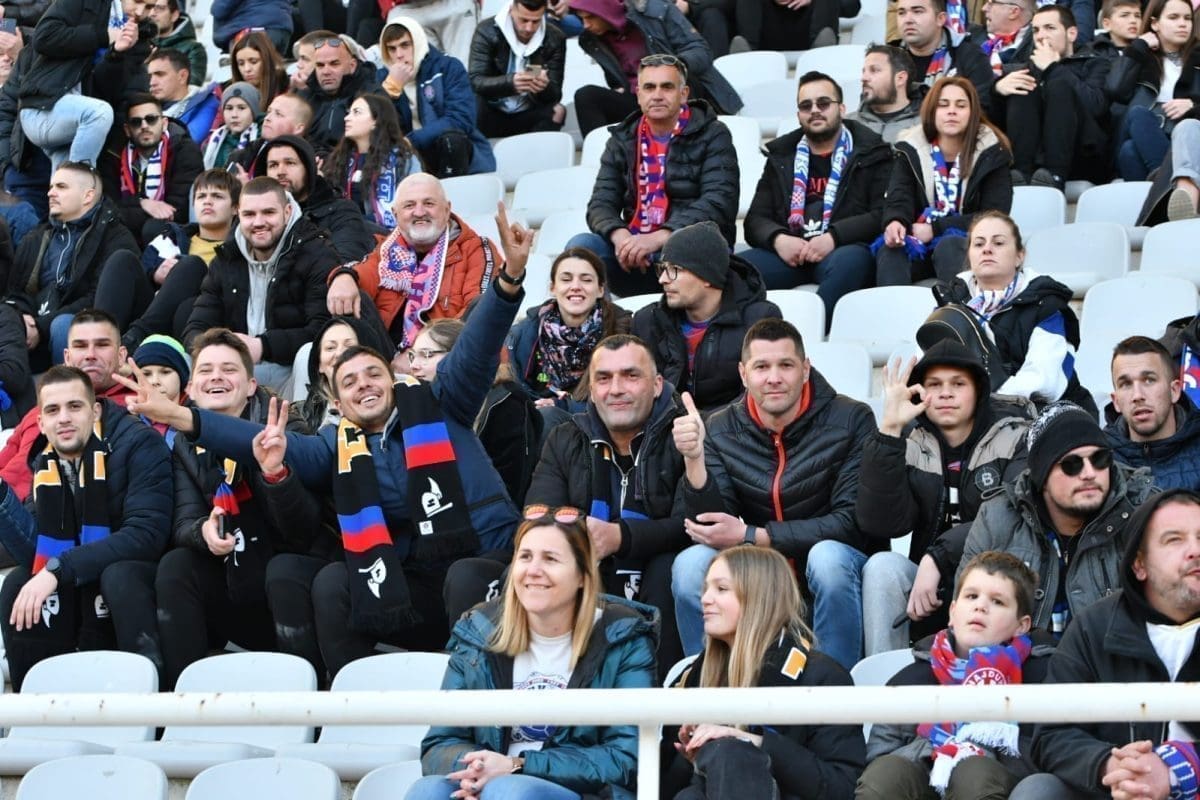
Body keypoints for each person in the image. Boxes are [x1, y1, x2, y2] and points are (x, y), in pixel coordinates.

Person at [127, 205, 531, 679]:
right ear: (337, 401)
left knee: (461, 576)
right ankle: (352, 700)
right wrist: (180, 416)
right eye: (350, 381)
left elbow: (476, 348)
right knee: (334, 582)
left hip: (487, 563)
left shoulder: (442, 403)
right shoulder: (336, 445)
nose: (364, 385)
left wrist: (509, 280)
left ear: (393, 379)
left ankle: (475, 701)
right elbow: (263, 439)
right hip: (415, 584)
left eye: (373, 374)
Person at [115, 329, 319, 688]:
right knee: (177, 564)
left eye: (229, 369)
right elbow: (184, 519)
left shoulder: (284, 424)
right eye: (206, 370)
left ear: (251, 385)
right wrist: (203, 531)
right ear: (191, 389)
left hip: (290, 583)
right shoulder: (182, 441)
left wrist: (274, 474)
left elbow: (304, 530)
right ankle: (184, 697)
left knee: (283, 570)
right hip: (234, 579)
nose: (216, 377)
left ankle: (308, 696)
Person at [407, 509, 657, 800]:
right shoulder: (478, 631)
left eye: (550, 559)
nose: (533, 570)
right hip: (489, 787)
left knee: (509, 790)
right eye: (525, 557)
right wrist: (477, 771)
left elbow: (626, 758)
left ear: (582, 575)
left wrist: (517, 766)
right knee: (429, 790)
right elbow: (440, 743)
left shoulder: (623, 639)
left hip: (582, 792)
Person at [671, 318, 877, 669]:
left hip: (830, 571)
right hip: (760, 578)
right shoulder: (719, 428)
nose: (774, 378)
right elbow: (709, 526)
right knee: (691, 564)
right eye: (761, 367)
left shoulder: (851, 419)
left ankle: (837, 685)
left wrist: (754, 536)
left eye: (786, 365)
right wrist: (694, 459)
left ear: (805, 369)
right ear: (743, 374)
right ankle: (709, 680)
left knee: (827, 558)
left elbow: (849, 523)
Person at [1012, 489, 1200, 800]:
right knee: (1039, 791)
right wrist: (1110, 765)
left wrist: (1176, 770)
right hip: (1113, 791)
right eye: (1174, 540)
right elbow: (1052, 733)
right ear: (1139, 565)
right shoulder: (1094, 627)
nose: (1195, 550)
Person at [0, 365, 172, 690]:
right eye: (53, 410)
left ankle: (150, 704)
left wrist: (58, 570)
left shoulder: (139, 443)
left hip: (136, 574)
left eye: (74, 406)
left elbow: (145, 535)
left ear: (94, 412)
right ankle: (37, 707)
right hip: (75, 574)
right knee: (19, 583)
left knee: (117, 577)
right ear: (41, 422)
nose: (63, 418)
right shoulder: (45, 462)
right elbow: (38, 552)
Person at [858, 342, 1033, 656]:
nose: (945, 394)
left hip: (998, 583)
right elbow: (881, 523)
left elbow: (1011, 514)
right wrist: (890, 430)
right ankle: (885, 676)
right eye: (934, 385)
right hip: (930, 589)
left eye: (958, 384)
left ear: (978, 391)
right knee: (882, 567)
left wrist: (937, 556)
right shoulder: (910, 442)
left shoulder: (1016, 437)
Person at [662, 546, 865, 800]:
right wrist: (693, 758)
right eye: (706, 588)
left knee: (731, 753)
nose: (705, 598)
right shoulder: (691, 679)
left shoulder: (823, 677)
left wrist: (753, 742)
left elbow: (841, 787)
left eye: (721, 589)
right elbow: (659, 788)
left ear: (760, 598)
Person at [857, 551, 1054, 800]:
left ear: (1022, 625)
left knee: (973, 772)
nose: (980, 606)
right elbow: (879, 754)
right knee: (886, 773)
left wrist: (974, 748)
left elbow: (1044, 758)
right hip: (922, 780)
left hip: (1001, 786)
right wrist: (938, 748)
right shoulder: (912, 677)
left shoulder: (1039, 677)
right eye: (971, 596)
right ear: (952, 612)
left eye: (997, 601)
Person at [959, 400, 1158, 637]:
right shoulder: (997, 518)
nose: (1089, 473)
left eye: (1100, 459)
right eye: (1072, 465)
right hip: (1019, 658)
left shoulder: (1147, 515)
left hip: (1114, 659)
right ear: (1041, 477)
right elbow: (965, 621)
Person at [567, 56, 739, 297]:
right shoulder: (622, 138)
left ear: (684, 94)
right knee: (580, 249)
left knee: (689, 249)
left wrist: (660, 237)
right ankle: (600, 320)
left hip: (690, 253)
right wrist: (621, 237)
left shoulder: (713, 133)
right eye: (649, 87)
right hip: (634, 254)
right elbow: (600, 204)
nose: (657, 95)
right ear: (638, 95)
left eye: (667, 87)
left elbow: (718, 202)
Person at [743, 71, 891, 326]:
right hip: (792, 252)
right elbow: (755, 219)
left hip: (842, 250)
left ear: (842, 109)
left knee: (852, 263)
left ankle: (809, 334)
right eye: (806, 105)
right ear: (798, 114)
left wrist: (834, 237)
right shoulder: (782, 157)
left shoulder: (871, 151)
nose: (814, 110)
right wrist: (778, 239)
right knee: (735, 269)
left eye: (823, 103)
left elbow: (882, 213)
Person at [324, 172, 501, 365]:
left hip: (446, 361)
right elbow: (363, 271)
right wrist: (344, 276)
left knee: (481, 309)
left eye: (429, 203)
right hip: (386, 358)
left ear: (447, 209)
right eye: (409, 205)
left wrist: (418, 355)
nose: (419, 212)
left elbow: (477, 317)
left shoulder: (476, 249)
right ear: (395, 214)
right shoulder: (387, 249)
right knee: (352, 296)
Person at [181, 176, 337, 392]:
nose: (258, 222)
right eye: (249, 214)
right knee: (185, 358)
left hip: (291, 370)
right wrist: (220, 349)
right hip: (237, 369)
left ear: (287, 212)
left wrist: (263, 346)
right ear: (238, 214)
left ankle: (302, 416)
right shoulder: (226, 260)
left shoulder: (316, 254)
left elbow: (323, 332)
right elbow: (196, 326)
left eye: (268, 212)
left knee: (308, 353)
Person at [933, 211, 1093, 412]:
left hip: (1042, 414)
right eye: (979, 244)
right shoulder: (950, 303)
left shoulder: (1046, 305)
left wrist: (977, 401)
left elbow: (1043, 382)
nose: (987, 249)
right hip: (967, 413)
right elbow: (929, 366)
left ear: (1019, 256)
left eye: (998, 243)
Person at [875, 76, 1013, 287]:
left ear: (973, 113)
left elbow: (994, 215)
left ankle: (960, 308)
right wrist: (896, 221)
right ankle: (895, 308)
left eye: (961, 105)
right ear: (932, 111)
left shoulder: (992, 152)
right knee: (891, 250)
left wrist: (936, 228)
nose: (952, 111)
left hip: (974, 245)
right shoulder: (910, 149)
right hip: (919, 242)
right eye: (943, 105)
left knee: (950, 246)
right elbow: (899, 196)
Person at [632, 222, 780, 413]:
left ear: (707, 277)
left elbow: (761, 393)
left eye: (675, 269)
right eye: (662, 268)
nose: (663, 279)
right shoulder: (647, 321)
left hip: (734, 428)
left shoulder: (760, 320)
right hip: (666, 427)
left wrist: (705, 423)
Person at [2, 162, 139, 366]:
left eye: (61, 187)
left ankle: (73, 384)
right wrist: (22, 321)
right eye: (51, 187)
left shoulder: (115, 237)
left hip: (80, 334)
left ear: (88, 196)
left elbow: (97, 300)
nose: (50, 193)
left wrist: (42, 326)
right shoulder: (37, 236)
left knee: (63, 325)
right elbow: (16, 292)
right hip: (33, 330)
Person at [0, 310, 135, 512]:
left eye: (102, 345)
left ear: (121, 355)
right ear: (67, 357)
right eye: (80, 346)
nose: (90, 355)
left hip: (48, 517)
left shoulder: (135, 408)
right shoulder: (41, 408)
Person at [569, 0, 742, 136]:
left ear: (605, 11)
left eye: (590, 17)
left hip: (682, 91)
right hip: (640, 98)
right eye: (581, 18)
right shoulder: (591, 39)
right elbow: (616, 78)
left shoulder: (656, 9)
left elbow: (700, 51)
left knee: (673, 77)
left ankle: (686, 145)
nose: (585, 25)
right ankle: (604, 161)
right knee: (586, 95)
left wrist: (671, 65)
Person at [991, 5, 1112, 189]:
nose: (1041, 36)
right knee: (1024, 85)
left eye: (1050, 28)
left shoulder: (1095, 63)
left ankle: (1054, 176)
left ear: (1071, 34)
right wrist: (997, 91)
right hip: (1031, 160)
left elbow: (1096, 106)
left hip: (1082, 156)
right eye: (1036, 30)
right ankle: (1021, 175)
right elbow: (992, 120)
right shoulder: (1021, 70)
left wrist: (1053, 69)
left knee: (1059, 86)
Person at [121, 169, 240, 350]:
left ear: (235, 208)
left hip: (195, 322)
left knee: (191, 267)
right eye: (201, 196)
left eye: (217, 196)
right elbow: (138, 275)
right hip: (151, 310)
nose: (207, 201)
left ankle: (136, 339)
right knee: (123, 259)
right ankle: (104, 339)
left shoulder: (240, 249)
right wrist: (154, 274)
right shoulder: (170, 238)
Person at [506, 247, 631, 415]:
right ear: (553, 287)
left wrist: (563, 406)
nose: (575, 286)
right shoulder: (526, 331)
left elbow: (625, 395)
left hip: (594, 421)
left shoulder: (623, 333)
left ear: (600, 289)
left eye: (586, 280)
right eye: (566, 279)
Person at [14, 0, 129, 172]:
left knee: (63, 184)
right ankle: (78, 181)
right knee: (99, 113)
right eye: (139, 2)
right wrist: (103, 36)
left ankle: (75, 184)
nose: (141, 10)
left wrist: (116, 54)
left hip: (75, 117)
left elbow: (109, 88)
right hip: (43, 107)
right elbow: (44, 36)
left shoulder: (132, 30)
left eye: (149, 6)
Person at [376, 18, 497, 178]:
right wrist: (391, 90)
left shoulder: (448, 67)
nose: (399, 55)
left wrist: (413, 140)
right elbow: (374, 125)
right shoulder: (383, 79)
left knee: (451, 140)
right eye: (392, 49)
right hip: (409, 156)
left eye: (405, 45)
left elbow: (461, 119)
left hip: (449, 151)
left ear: (418, 42)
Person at [1108, 0, 1200, 181]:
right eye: (1173, 17)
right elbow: (1115, 89)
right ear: (1155, 23)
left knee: (1129, 151)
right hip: (1146, 129)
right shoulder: (1141, 57)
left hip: (1186, 140)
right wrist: (1138, 47)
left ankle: (1163, 185)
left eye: (1187, 18)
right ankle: (1169, 184)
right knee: (1137, 116)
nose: (1182, 24)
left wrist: (1193, 106)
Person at [99, 93, 204, 245]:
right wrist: (142, 203)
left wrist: (133, 210)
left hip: (171, 232)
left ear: (164, 123)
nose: (144, 126)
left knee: (153, 228)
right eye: (136, 122)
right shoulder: (114, 155)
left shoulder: (185, 151)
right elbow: (108, 207)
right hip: (127, 232)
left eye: (151, 119)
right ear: (127, 130)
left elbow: (176, 211)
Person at [253, 134, 375, 261]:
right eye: (273, 165)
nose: (280, 172)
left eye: (290, 163)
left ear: (308, 169)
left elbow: (347, 264)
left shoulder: (342, 212)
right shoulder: (255, 215)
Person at [1105, 336, 1200, 491]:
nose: (1137, 395)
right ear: (1116, 401)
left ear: (1174, 391)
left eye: (1149, 380)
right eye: (1126, 384)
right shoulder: (1097, 460)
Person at [320, 93, 422, 229]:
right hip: (346, 232)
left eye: (357, 112)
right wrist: (319, 183)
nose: (346, 118)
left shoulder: (402, 159)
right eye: (348, 113)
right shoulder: (340, 159)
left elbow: (416, 200)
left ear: (376, 121)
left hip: (389, 233)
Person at [469, 0, 567, 137]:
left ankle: (539, 150)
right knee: (471, 105)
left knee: (558, 111)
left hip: (529, 113)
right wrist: (510, 83)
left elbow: (555, 95)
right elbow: (476, 80)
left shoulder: (554, 37)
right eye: (524, 20)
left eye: (536, 21)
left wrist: (543, 87)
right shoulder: (487, 30)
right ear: (511, 10)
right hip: (491, 112)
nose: (529, 28)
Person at [299, 315, 391, 432]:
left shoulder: (398, 399)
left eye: (349, 346)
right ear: (319, 365)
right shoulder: (307, 410)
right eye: (330, 348)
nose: (339, 353)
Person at [889, 0, 993, 98]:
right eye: (901, 13)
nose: (907, 20)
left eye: (917, 12)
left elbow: (980, 107)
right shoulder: (888, 58)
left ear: (940, 19)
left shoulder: (971, 56)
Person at [299, 32, 382, 155]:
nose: (326, 71)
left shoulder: (373, 95)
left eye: (334, 64)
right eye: (320, 65)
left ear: (352, 65)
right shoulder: (305, 97)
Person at [146, 48, 222, 146]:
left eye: (160, 75)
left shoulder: (207, 104)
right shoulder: (144, 110)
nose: (152, 83)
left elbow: (185, 144)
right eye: (150, 77)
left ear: (182, 76)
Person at [848, 45, 922, 143]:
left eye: (874, 70)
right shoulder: (846, 125)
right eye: (864, 71)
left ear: (900, 78)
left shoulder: (927, 126)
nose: (864, 78)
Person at [202, 82, 262, 170]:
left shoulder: (260, 142)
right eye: (229, 108)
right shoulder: (211, 142)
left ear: (254, 111)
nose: (234, 115)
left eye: (241, 108)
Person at [148, 0, 207, 86]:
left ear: (174, 15)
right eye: (149, 7)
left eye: (159, 8)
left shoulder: (193, 49)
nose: (152, 13)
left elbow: (190, 86)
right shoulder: (137, 43)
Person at [229, 29, 288, 107]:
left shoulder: (289, 90)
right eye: (241, 63)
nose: (247, 69)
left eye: (254, 62)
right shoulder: (227, 94)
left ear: (268, 61)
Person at [977, 0, 1034, 79]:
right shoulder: (972, 35)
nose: (984, 8)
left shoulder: (1037, 44)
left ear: (1014, 12)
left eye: (991, 3)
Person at [210, 0, 291, 54]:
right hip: (283, 28)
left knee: (249, 70)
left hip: (255, 30)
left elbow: (219, 9)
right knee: (271, 71)